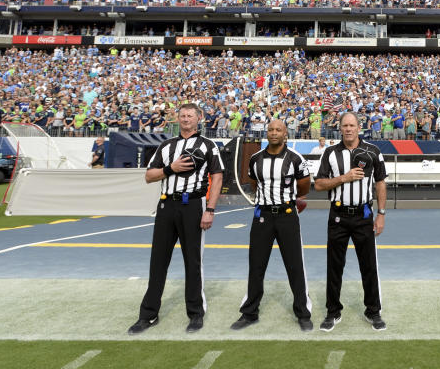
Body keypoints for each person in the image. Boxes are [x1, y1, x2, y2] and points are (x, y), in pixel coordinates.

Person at [128, 103, 224, 335]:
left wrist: (210, 209)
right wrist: (171, 168)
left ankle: (195, 313)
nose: (185, 119)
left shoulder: (208, 146)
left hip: (193, 204)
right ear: (177, 118)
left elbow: (218, 177)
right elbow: (149, 176)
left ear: (199, 118)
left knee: (193, 261)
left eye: (190, 115)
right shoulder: (166, 145)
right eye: (182, 115)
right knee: (158, 261)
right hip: (166, 205)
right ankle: (148, 315)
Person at [231, 119, 314, 332]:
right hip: (263, 216)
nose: (274, 133)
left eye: (278, 130)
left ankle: (303, 312)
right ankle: (249, 312)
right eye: (271, 129)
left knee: (295, 265)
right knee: (256, 265)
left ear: (285, 133)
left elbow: (304, 186)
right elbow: (253, 183)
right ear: (266, 133)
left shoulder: (296, 158)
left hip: (287, 214)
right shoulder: (256, 159)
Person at [313, 112, 388, 332]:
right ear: (340, 128)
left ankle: (373, 311)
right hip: (337, 216)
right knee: (334, 266)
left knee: (369, 266)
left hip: (364, 215)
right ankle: (333, 312)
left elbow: (381, 183)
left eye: (352, 125)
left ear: (358, 127)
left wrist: (381, 214)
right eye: (344, 125)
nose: (348, 129)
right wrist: (343, 178)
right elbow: (318, 184)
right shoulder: (329, 153)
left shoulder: (373, 151)